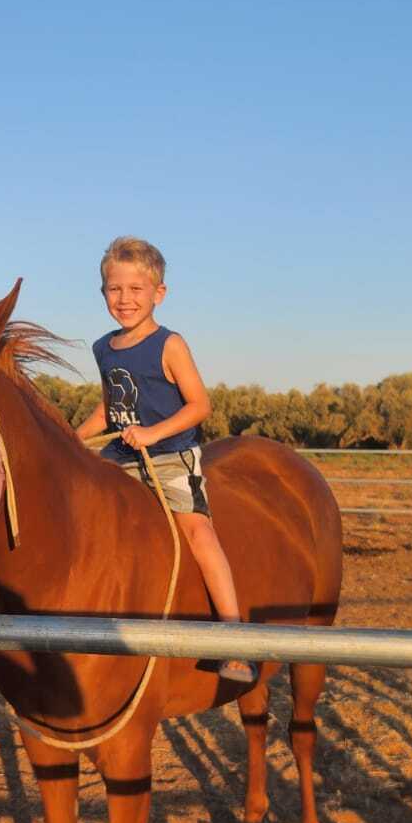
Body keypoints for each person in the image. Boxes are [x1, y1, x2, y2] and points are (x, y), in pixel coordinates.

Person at [74, 237, 256, 685]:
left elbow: (199, 406)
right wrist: (71, 439)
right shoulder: (103, 348)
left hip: (170, 457)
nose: (125, 299)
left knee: (198, 531)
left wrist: (154, 432)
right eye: (115, 289)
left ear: (159, 293)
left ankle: (233, 639)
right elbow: (107, 408)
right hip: (119, 456)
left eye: (137, 289)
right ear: (102, 294)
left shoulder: (169, 344)